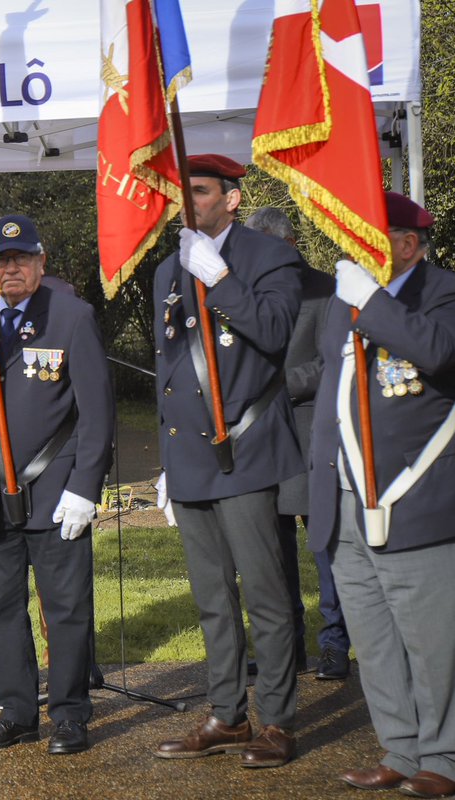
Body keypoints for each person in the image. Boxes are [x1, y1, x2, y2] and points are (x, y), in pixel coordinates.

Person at [0, 214, 113, 755]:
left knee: (67, 609)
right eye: (1, 261)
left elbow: (97, 413)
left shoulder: (71, 317)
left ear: (40, 263)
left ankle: (71, 713)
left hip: (55, 490)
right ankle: (16, 712)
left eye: (21, 259)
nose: (11, 269)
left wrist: (86, 487)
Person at [152, 155, 304, 769]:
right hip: (191, 457)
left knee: (266, 595)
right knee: (213, 599)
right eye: (182, 192)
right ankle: (227, 714)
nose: (188, 202)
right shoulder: (167, 269)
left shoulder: (269, 257)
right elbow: (168, 369)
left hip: (245, 450)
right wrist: (167, 458)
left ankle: (278, 720)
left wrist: (220, 278)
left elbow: (274, 331)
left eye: (200, 191)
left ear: (232, 198)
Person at [308, 193, 455, 797]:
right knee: (373, 637)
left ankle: (444, 757)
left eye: (366, 236)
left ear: (408, 243)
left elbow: (438, 352)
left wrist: (372, 302)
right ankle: (400, 747)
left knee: (431, 640)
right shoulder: (344, 297)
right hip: (343, 495)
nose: (352, 248)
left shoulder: (442, 292)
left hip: (410, 498)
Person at [245, 206, 349, 681]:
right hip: (260, 440)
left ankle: (335, 644)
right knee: (272, 551)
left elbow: (335, 362)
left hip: (310, 435)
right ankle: (286, 648)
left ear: (286, 244)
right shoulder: (247, 292)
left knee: (325, 547)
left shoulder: (326, 290)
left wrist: (279, 386)